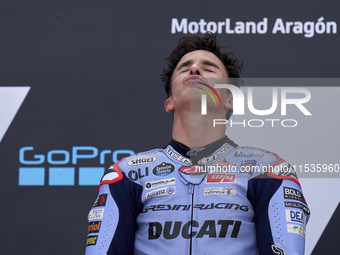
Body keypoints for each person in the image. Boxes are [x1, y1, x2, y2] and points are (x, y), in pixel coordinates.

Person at [85, 33, 310, 255]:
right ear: (169, 101)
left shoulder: (266, 170)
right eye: (185, 68)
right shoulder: (128, 174)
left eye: (209, 68)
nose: (194, 70)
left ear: (230, 99)